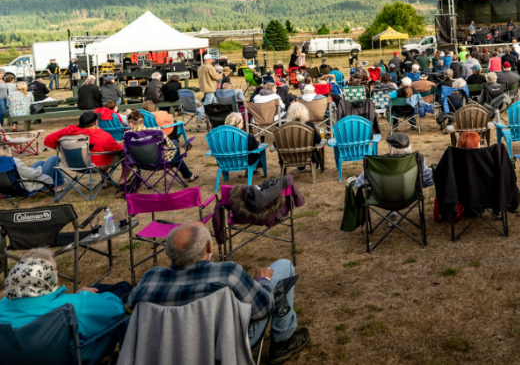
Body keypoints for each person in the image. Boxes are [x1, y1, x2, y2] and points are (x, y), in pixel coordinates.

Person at [127, 222, 308, 362]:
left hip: (165, 352)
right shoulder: (228, 273)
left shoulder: (150, 279)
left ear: (169, 253)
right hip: (225, 347)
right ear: (208, 248)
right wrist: (264, 281)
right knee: (284, 266)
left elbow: (130, 311)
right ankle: (283, 341)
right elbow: (264, 307)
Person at [0, 249, 130, 365]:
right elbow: (116, 309)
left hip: (17, 358)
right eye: (55, 270)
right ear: (48, 276)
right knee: (122, 290)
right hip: (73, 358)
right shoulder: (73, 306)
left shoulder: (2, 306)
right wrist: (86, 295)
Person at [126, 109, 197, 181]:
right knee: (175, 146)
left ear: (130, 124)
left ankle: (189, 175)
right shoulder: (156, 131)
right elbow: (170, 147)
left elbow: (126, 150)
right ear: (143, 121)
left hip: (138, 163)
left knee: (174, 151)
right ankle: (189, 175)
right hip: (159, 162)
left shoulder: (127, 135)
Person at [349, 132, 434, 191]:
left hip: (383, 198)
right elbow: (429, 181)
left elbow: (358, 184)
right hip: (410, 196)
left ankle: (392, 211)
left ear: (390, 148)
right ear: (409, 146)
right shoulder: (418, 159)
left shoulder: (377, 163)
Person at [43, 111, 123, 167]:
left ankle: (105, 180)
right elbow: (116, 149)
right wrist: (124, 144)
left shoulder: (68, 131)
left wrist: (63, 149)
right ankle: (122, 180)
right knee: (124, 154)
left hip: (71, 163)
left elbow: (47, 141)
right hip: (96, 165)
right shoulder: (103, 135)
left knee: (100, 152)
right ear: (95, 122)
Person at [284, 101, 325, 173]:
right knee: (313, 147)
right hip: (308, 155)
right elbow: (318, 140)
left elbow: (276, 144)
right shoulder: (309, 124)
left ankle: (301, 167)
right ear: (304, 112)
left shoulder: (285, 127)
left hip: (291, 156)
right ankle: (315, 164)